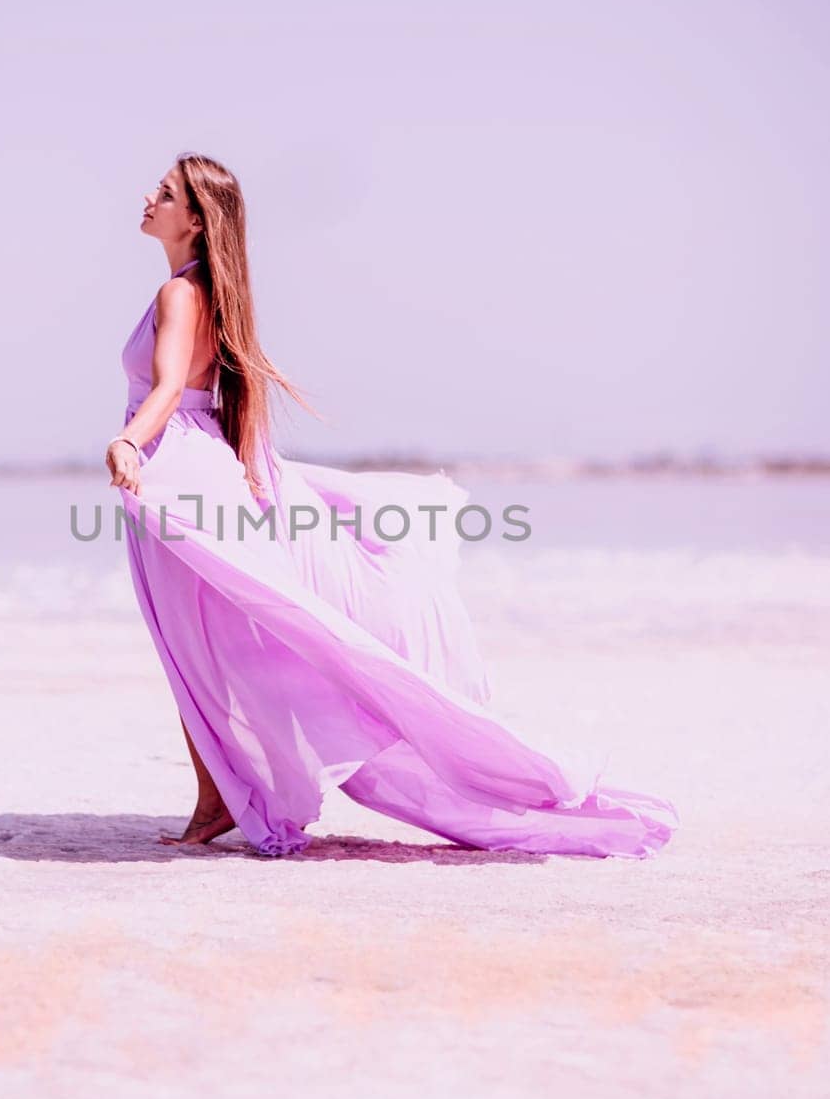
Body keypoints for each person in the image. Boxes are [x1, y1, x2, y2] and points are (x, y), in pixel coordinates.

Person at [105, 152, 679, 859]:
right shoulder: (206, 292)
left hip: (173, 469)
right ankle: (221, 794)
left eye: (164, 193)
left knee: (204, 649)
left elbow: (166, 389)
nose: (148, 198)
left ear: (195, 218)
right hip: (193, 468)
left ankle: (229, 794)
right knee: (208, 648)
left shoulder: (179, 297)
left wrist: (130, 443)